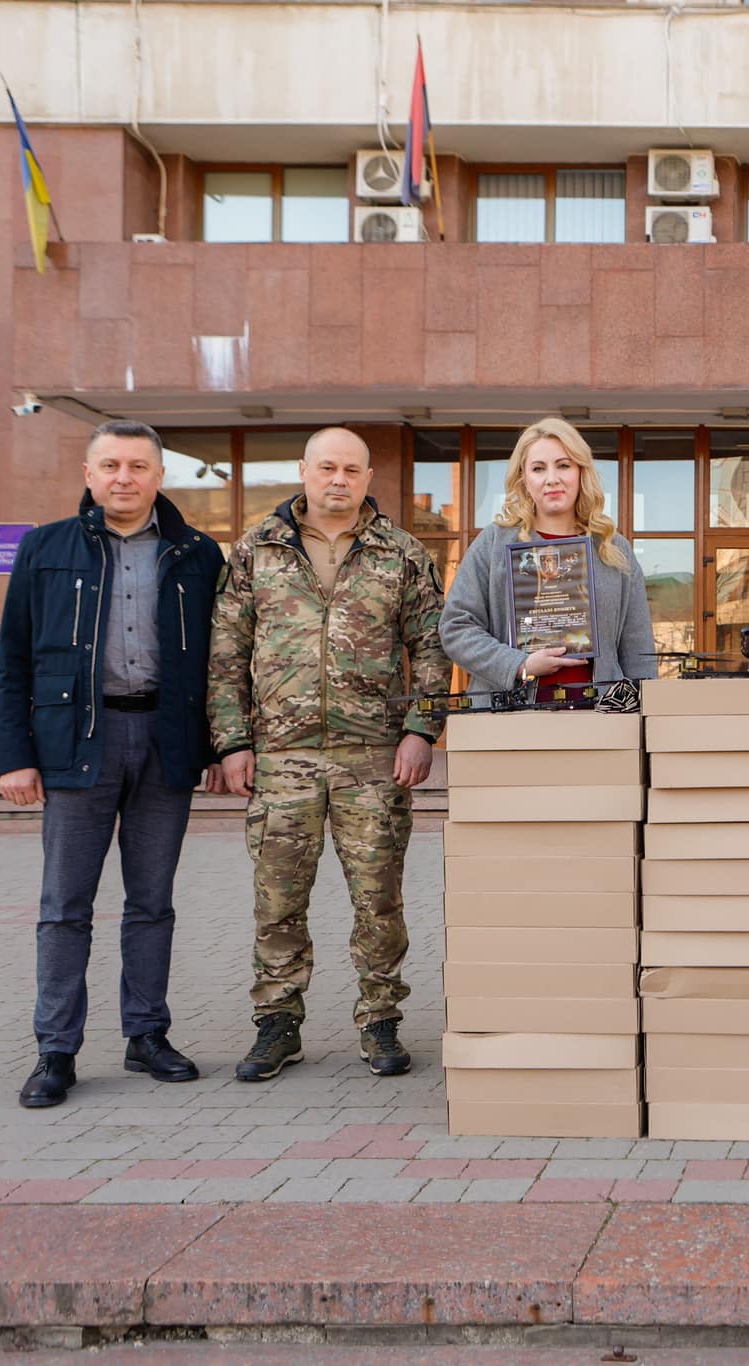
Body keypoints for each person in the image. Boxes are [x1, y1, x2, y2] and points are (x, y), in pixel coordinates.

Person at [0, 419, 225, 1108]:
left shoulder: (198, 553)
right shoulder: (45, 549)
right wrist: (15, 757)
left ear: (160, 476)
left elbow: (218, 661)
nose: (124, 477)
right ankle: (56, 1050)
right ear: (89, 475)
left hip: (165, 741)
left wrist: (215, 746)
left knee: (152, 904)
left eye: (138, 466)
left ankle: (147, 1034)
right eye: (111, 465)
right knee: (65, 907)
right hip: (74, 747)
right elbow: (12, 661)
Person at [209, 427, 449, 1082]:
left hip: (373, 756)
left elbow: (432, 647)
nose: (337, 479)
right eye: (326, 467)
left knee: (378, 899)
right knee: (277, 899)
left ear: (369, 477)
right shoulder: (257, 551)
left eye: (350, 469)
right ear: (303, 471)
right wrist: (232, 742)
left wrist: (421, 730)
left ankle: (380, 1020)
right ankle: (277, 1023)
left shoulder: (401, 554)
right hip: (280, 756)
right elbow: (226, 655)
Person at [439, 417, 657, 696]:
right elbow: (456, 627)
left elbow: (638, 650)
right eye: (539, 468)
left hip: (600, 723)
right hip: (508, 724)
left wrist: (642, 719)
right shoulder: (494, 543)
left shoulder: (613, 549)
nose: (552, 479)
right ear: (524, 479)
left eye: (563, 465)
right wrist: (520, 664)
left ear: (580, 471)